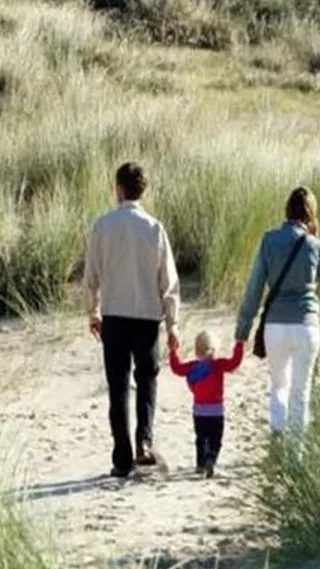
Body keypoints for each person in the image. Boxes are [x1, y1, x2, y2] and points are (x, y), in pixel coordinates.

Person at [85, 161, 181, 479]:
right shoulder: (154, 228)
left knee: (118, 387)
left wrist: (93, 311)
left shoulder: (102, 226)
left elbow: (91, 276)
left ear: (119, 189)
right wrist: (173, 324)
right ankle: (144, 441)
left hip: (114, 315)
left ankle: (122, 458)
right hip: (146, 317)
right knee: (147, 380)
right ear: (142, 191)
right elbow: (168, 282)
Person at [234, 186, 320, 450]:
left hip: (276, 325)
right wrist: (316, 239)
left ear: (287, 209)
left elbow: (255, 288)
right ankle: (295, 453)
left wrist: (243, 328)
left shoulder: (269, 240)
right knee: (300, 392)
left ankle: (277, 443)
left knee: (279, 385)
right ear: (311, 213)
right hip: (306, 323)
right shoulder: (315, 244)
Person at [168, 331, 246, 479]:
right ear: (214, 350)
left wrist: (173, 351)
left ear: (196, 350)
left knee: (201, 439)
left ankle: (200, 464)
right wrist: (239, 344)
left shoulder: (192, 367)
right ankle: (211, 459)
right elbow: (234, 363)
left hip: (199, 412)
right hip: (216, 412)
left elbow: (176, 368)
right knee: (215, 440)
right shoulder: (218, 365)